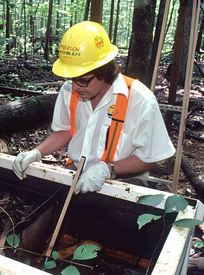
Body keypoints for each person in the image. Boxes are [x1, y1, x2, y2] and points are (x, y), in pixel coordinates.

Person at [12, 21, 175, 194]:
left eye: (83, 80)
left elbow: (149, 159)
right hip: (77, 170)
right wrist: (36, 153)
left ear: (104, 71)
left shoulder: (140, 100)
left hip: (125, 180)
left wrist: (107, 169)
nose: (75, 87)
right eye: (72, 78)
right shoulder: (69, 90)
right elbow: (64, 131)